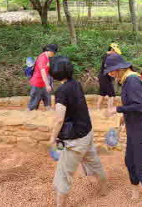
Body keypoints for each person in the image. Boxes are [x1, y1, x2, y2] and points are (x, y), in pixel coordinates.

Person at [49, 56, 107, 207]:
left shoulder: (61, 91)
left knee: (63, 174)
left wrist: (52, 138)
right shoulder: (76, 84)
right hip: (86, 132)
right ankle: (103, 189)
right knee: (94, 162)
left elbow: (59, 119)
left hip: (74, 140)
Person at [105, 54, 142, 206]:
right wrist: (124, 116)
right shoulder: (127, 80)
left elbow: (139, 106)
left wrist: (117, 109)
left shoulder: (132, 80)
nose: (110, 74)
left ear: (120, 68)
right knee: (130, 162)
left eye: (111, 71)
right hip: (134, 127)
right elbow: (134, 105)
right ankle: (135, 191)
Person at [28, 44, 58, 111]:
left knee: (47, 101)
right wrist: (47, 85)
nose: (54, 54)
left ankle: (49, 110)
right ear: (50, 51)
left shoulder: (47, 57)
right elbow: (43, 72)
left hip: (44, 83)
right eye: (54, 53)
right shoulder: (43, 58)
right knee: (33, 106)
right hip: (38, 83)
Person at [96, 43, 122, 111]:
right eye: (115, 51)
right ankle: (109, 110)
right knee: (112, 95)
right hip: (105, 77)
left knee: (102, 93)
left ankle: (98, 110)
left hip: (102, 76)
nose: (116, 53)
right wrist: (114, 76)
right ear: (112, 49)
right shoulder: (108, 56)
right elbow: (107, 67)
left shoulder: (107, 55)